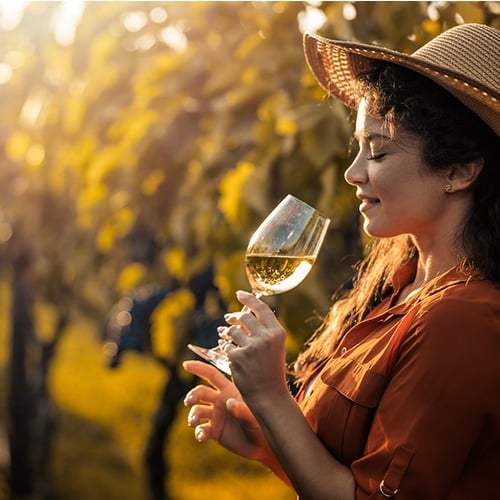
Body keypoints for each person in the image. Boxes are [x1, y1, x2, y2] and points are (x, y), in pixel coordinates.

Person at [183, 23, 500, 499]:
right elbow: (349, 478)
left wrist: (272, 396)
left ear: (459, 170)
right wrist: (268, 437)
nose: (353, 173)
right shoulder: (401, 285)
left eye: (378, 151)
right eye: (358, 147)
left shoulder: (460, 319)